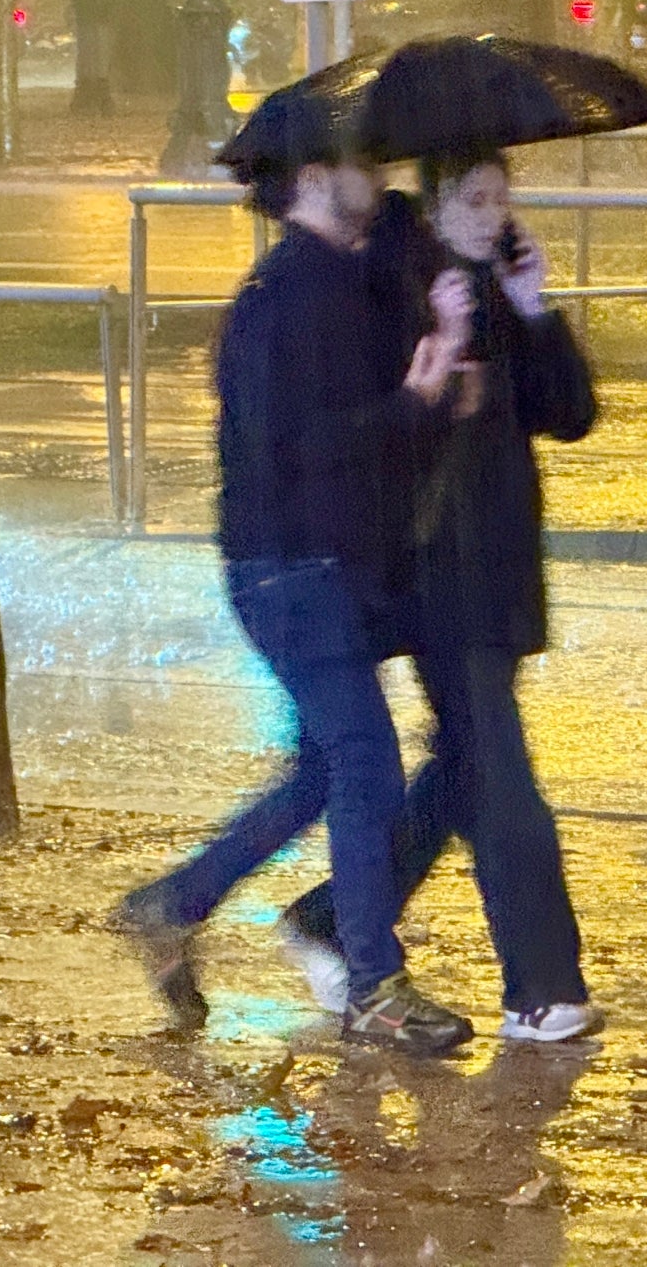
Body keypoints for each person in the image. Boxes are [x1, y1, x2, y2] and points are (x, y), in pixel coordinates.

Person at [113, 97, 481, 1057]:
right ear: (315, 178)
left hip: (327, 564)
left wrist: (436, 379)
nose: (383, 175)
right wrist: (415, 396)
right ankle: (372, 984)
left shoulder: (343, 282)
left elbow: (380, 431)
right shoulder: (285, 300)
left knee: (327, 764)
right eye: (363, 160)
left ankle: (174, 903)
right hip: (290, 567)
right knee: (364, 761)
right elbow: (304, 451)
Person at [274, 146, 605, 1044]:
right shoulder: (403, 282)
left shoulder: (495, 282)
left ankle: (333, 916)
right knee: (502, 780)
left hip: (498, 564)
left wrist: (535, 309)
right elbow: (385, 424)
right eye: (477, 198)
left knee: (465, 765)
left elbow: (568, 413)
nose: (495, 213)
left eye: (504, 197)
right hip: (433, 571)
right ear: (437, 200)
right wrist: (441, 350)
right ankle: (541, 985)